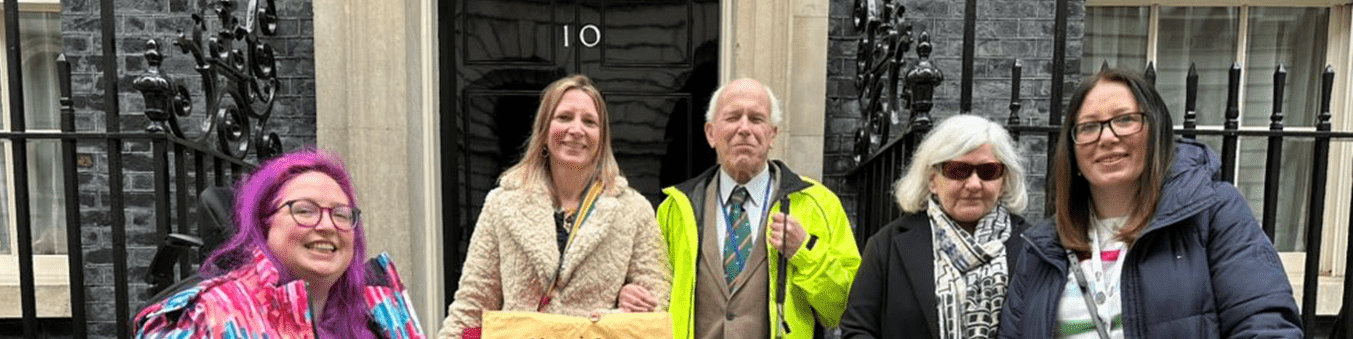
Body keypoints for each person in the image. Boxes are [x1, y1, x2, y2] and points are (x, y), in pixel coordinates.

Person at [999, 69, 1302, 338]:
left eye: (1125, 119)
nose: (1107, 137)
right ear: (1074, 152)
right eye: (1089, 126)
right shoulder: (1042, 247)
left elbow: (1265, 323)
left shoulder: (1214, 211)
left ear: (1156, 132)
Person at [438, 74, 671, 338]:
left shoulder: (633, 210)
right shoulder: (502, 204)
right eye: (564, 117)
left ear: (601, 137)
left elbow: (657, 299)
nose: (576, 129)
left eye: (589, 121)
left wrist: (629, 305)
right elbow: (472, 304)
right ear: (544, 130)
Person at [647, 78, 861, 339]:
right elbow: (653, 298)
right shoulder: (674, 210)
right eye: (733, 117)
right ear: (710, 133)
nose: (744, 128)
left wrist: (805, 251)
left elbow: (842, 309)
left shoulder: (818, 204)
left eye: (756, 119)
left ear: (772, 134)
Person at [133, 149, 425, 339]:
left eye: (341, 214)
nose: (327, 226)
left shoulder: (379, 311)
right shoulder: (206, 318)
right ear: (264, 224)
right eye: (305, 210)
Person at [840, 114, 1031, 339]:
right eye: (958, 171)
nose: (973, 184)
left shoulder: (1034, 248)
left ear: (1004, 181)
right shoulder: (886, 247)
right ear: (932, 180)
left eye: (988, 172)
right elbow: (858, 331)